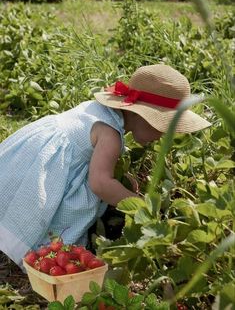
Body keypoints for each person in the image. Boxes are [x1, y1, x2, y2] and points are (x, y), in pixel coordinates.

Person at [0, 64, 211, 268]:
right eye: (162, 127)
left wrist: (122, 178)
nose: (163, 135)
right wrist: (141, 207)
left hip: (33, 156)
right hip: (47, 172)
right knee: (56, 227)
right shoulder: (111, 136)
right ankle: (41, 253)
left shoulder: (100, 113)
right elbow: (100, 183)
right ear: (142, 115)